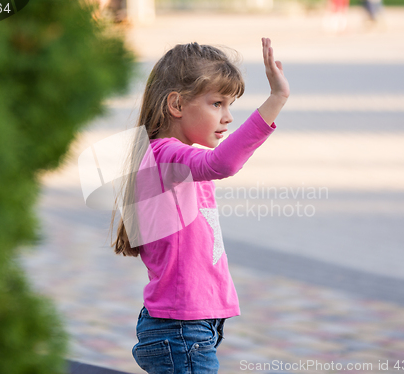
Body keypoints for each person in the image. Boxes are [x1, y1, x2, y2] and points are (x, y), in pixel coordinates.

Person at [109, 38, 289, 374]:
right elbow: (224, 164)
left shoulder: (179, 160)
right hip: (181, 330)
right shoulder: (166, 156)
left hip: (191, 327)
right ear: (176, 104)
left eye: (229, 104)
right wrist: (276, 100)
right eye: (217, 103)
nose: (228, 116)